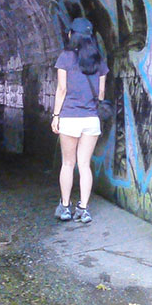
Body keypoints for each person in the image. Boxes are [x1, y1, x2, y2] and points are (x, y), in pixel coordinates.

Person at [51, 17, 108, 224]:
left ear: (71, 35)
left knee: (68, 164)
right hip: (91, 119)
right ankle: (83, 209)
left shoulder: (66, 57)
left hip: (70, 117)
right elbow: (101, 92)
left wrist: (56, 115)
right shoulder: (99, 59)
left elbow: (62, 89)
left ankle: (65, 207)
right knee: (85, 165)